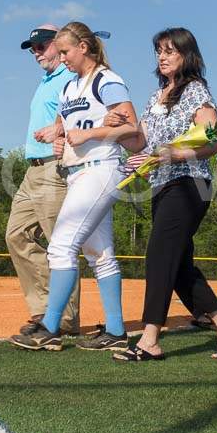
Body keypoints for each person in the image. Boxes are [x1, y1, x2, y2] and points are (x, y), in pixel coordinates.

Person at [111, 27, 217, 361]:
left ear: (187, 55)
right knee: (179, 265)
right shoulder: (155, 98)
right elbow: (140, 143)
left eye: (170, 51)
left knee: (159, 256)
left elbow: (212, 142)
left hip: (191, 183)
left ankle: (149, 340)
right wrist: (117, 131)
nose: (162, 56)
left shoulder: (197, 91)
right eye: (159, 50)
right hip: (163, 185)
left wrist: (171, 153)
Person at [10, 22, 144, 351]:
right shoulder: (71, 88)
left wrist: (92, 133)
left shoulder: (106, 80)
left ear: (84, 47)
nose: (64, 57)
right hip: (77, 172)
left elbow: (133, 130)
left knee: (61, 246)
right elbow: (71, 127)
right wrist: (59, 136)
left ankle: (51, 326)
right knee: (99, 253)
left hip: (101, 169)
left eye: (67, 51)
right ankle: (115, 331)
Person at [5, 24, 78, 336]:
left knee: (60, 245)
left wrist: (60, 133)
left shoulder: (70, 78)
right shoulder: (45, 81)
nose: (36, 53)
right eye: (32, 48)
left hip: (55, 167)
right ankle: (44, 309)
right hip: (32, 169)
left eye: (42, 46)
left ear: (60, 45)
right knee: (16, 235)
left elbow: (81, 117)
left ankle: (64, 318)